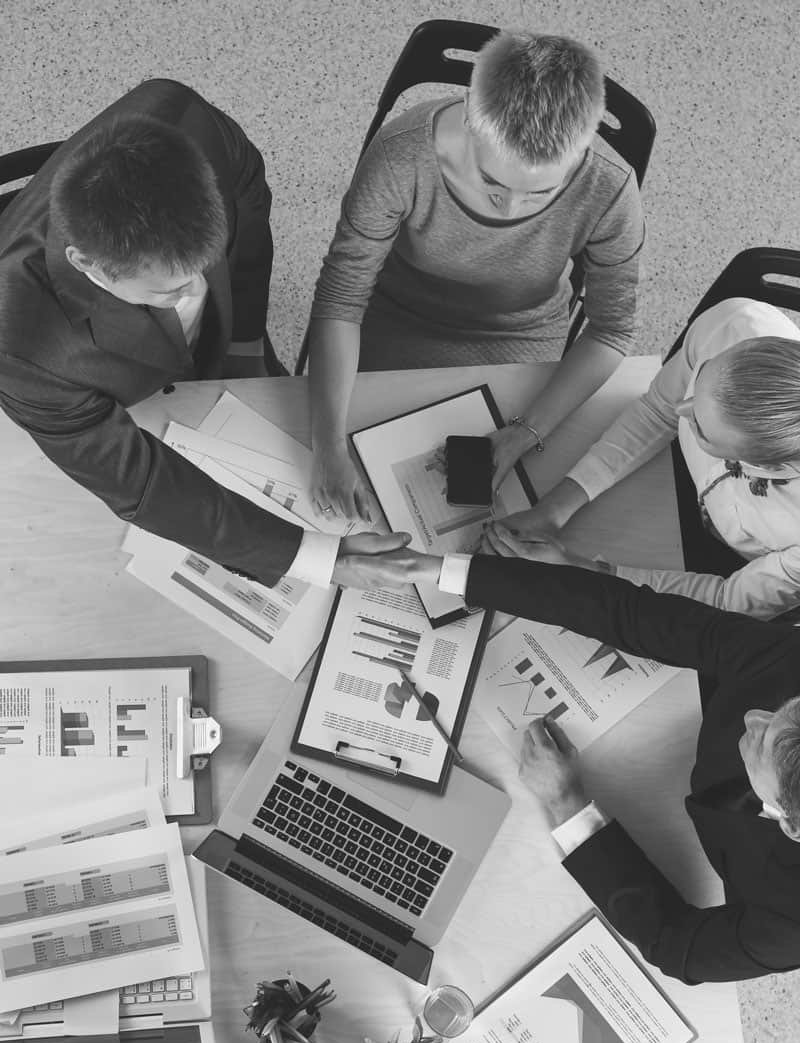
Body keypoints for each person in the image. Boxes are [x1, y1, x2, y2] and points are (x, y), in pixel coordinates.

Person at [0, 78, 414, 593]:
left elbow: (251, 196)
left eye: (201, 266)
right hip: (128, 398)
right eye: (169, 290)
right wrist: (323, 561)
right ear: (88, 265)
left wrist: (244, 340)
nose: (194, 290)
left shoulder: (180, 115)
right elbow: (144, 484)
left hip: (222, 354)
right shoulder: (21, 351)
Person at [399, 549, 800, 983]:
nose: (754, 716)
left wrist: (569, 805)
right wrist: (445, 572)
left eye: (763, 740)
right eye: (785, 708)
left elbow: (676, 944)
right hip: (667, 730)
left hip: (684, 838)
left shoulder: (790, 925)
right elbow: (635, 615)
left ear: (792, 826)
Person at [308, 30, 645, 522]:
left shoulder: (610, 189)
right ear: (469, 116)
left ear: (583, 149)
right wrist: (327, 445)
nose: (509, 207)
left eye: (538, 194)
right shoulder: (402, 154)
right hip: (392, 322)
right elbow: (341, 297)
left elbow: (613, 329)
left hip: (523, 339)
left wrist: (527, 430)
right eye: (492, 181)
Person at [488, 297, 800, 619]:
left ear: (763, 464)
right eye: (698, 382)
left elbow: (726, 601)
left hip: (735, 574)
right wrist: (553, 510)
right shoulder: (733, 324)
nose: (681, 410)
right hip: (666, 485)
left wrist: (580, 569)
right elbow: (657, 411)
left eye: (700, 428)